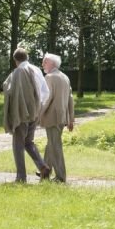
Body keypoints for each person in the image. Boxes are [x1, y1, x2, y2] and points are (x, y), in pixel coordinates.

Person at [3, 47, 51, 183]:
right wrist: (37, 106)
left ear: (15, 60)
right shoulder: (36, 69)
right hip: (35, 111)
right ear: (27, 57)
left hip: (22, 112)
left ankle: (21, 177)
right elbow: (45, 92)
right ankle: (42, 167)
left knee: (18, 144)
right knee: (28, 142)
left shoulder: (18, 71)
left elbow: (12, 91)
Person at [39, 53, 74, 182]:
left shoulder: (49, 77)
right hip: (62, 117)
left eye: (45, 62)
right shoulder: (65, 77)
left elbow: (47, 99)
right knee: (51, 144)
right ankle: (44, 171)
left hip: (52, 117)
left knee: (55, 146)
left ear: (52, 63)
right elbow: (70, 99)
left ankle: (60, 177)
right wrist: (71, 119)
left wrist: (38, 114)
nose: (42, 64)